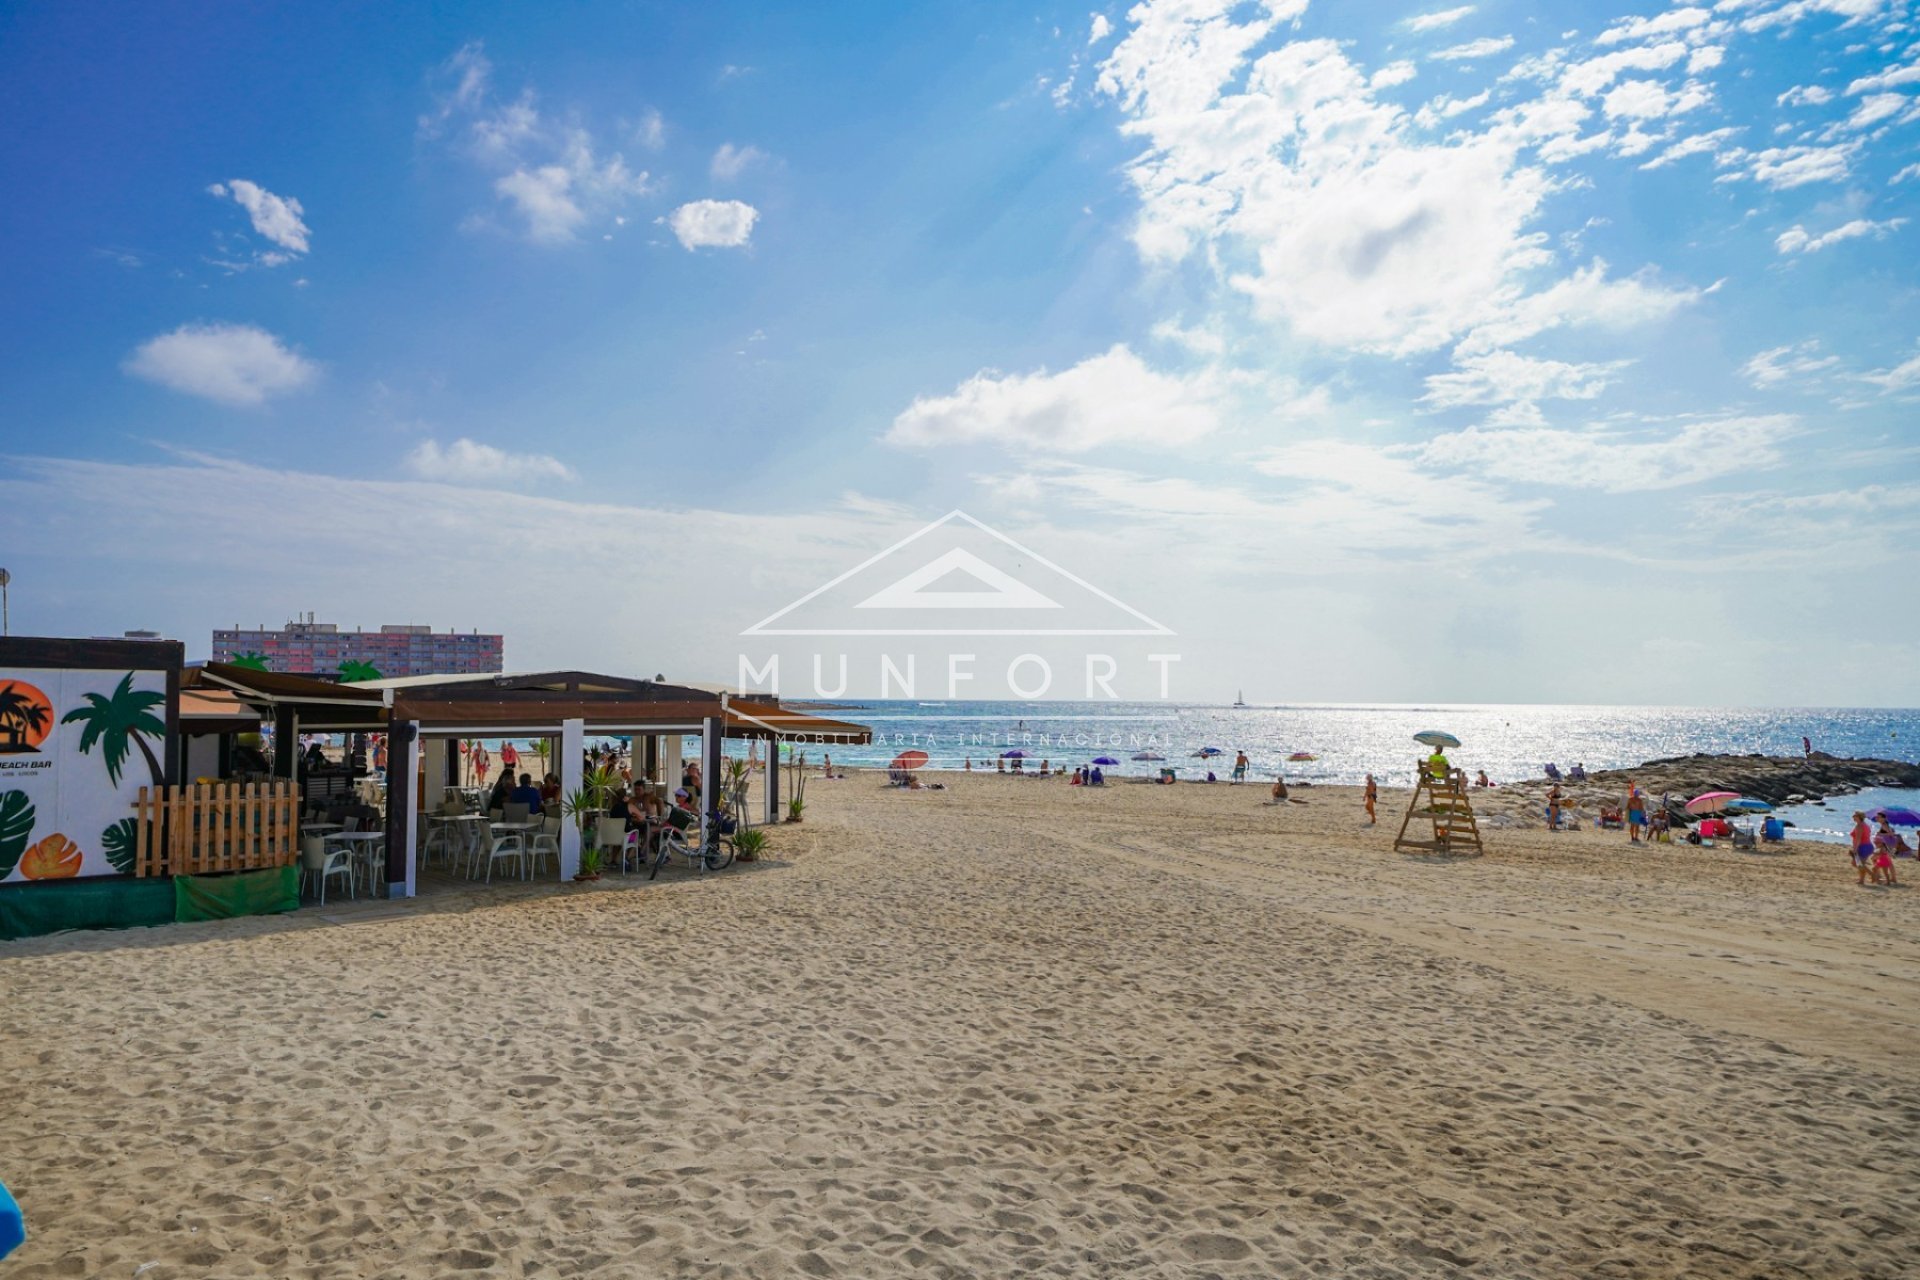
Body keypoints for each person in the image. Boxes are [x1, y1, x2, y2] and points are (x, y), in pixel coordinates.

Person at [1850, 811, 1874, 886]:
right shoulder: (1864, 825)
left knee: (1857, 863)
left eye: (1854, 815)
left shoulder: (1859, 826)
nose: (1853, 817)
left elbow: (1858, 839)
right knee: (1860, 864)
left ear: (1859, 817)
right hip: (1867, 846)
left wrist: (1855, 849)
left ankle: (1873, 875)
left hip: (1863, 847)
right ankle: (1862, 880)